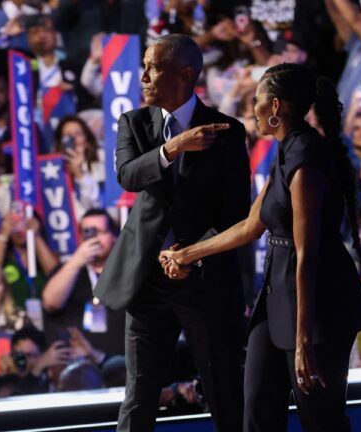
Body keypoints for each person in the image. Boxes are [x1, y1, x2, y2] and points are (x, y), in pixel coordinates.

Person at [161, 63, 361, 431]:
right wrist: (186, 254)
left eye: (257, 99)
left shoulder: (306, 157)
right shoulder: (286, 149)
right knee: (257, 414)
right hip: (277, 299)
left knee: (321, 420)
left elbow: (308, 256)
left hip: (317, 306)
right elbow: (249, 227)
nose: (252, 106)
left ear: (275, 106)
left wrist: (303, 339)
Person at [94, 34, 250, 431]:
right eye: (143, 66)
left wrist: (189, 255)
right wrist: (174, 147)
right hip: (147, 279)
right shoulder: (134, 122)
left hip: (206, 280)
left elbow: (235, 212)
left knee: (223, 392)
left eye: (153, 67)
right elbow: (128, 176)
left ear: (184, 74)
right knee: (138, 396)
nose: (143, 75)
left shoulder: (227, 131)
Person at [43, 209, 125, 358]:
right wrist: (77, 261)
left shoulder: (126, 269)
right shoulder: (69, 270)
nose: (94, 238)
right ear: (80, 237)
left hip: (119, 363)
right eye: (88, 232)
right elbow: (50, 303)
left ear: (113, 235)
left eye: (99, 231)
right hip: (79, 365)